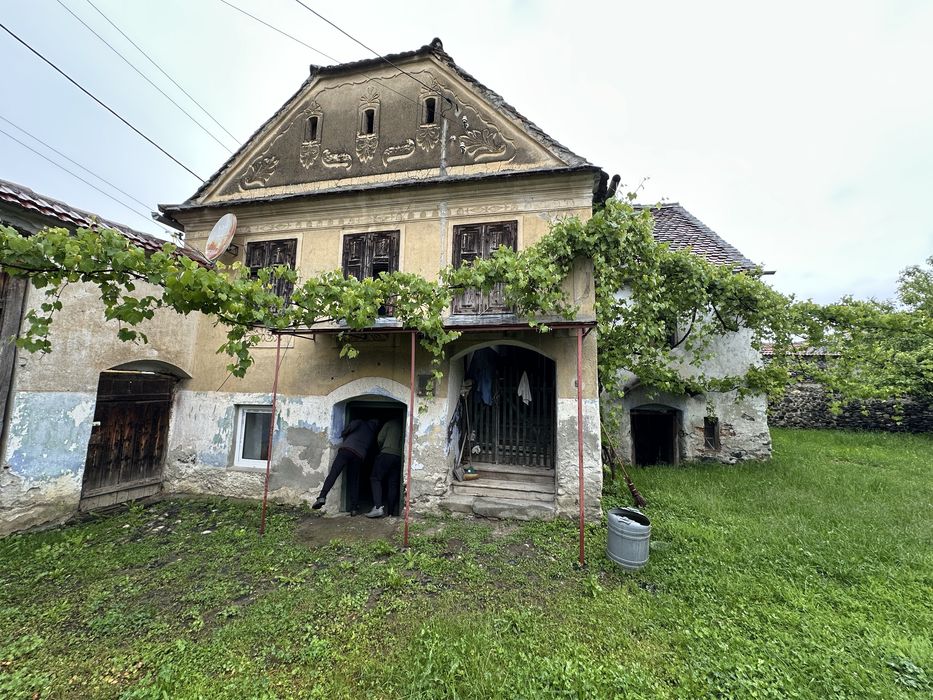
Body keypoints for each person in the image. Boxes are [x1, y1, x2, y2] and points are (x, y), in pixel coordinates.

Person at [312, 417, 379, 512]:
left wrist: (344, 433)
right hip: (359, 456)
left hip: (346, 450)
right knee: (354, 481)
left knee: (334, 473)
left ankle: (322, 497)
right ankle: (354, 508)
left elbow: (351, 426)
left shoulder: (360, 422)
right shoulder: (372, 435)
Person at [365, 417, 403, 518]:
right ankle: (391, 512)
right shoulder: (403, 424)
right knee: (393, 484)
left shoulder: (390, 423)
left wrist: (382, 448)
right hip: (398, 456)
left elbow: (380, 438)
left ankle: (377, 507)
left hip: (386, 453)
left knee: (375, 478)